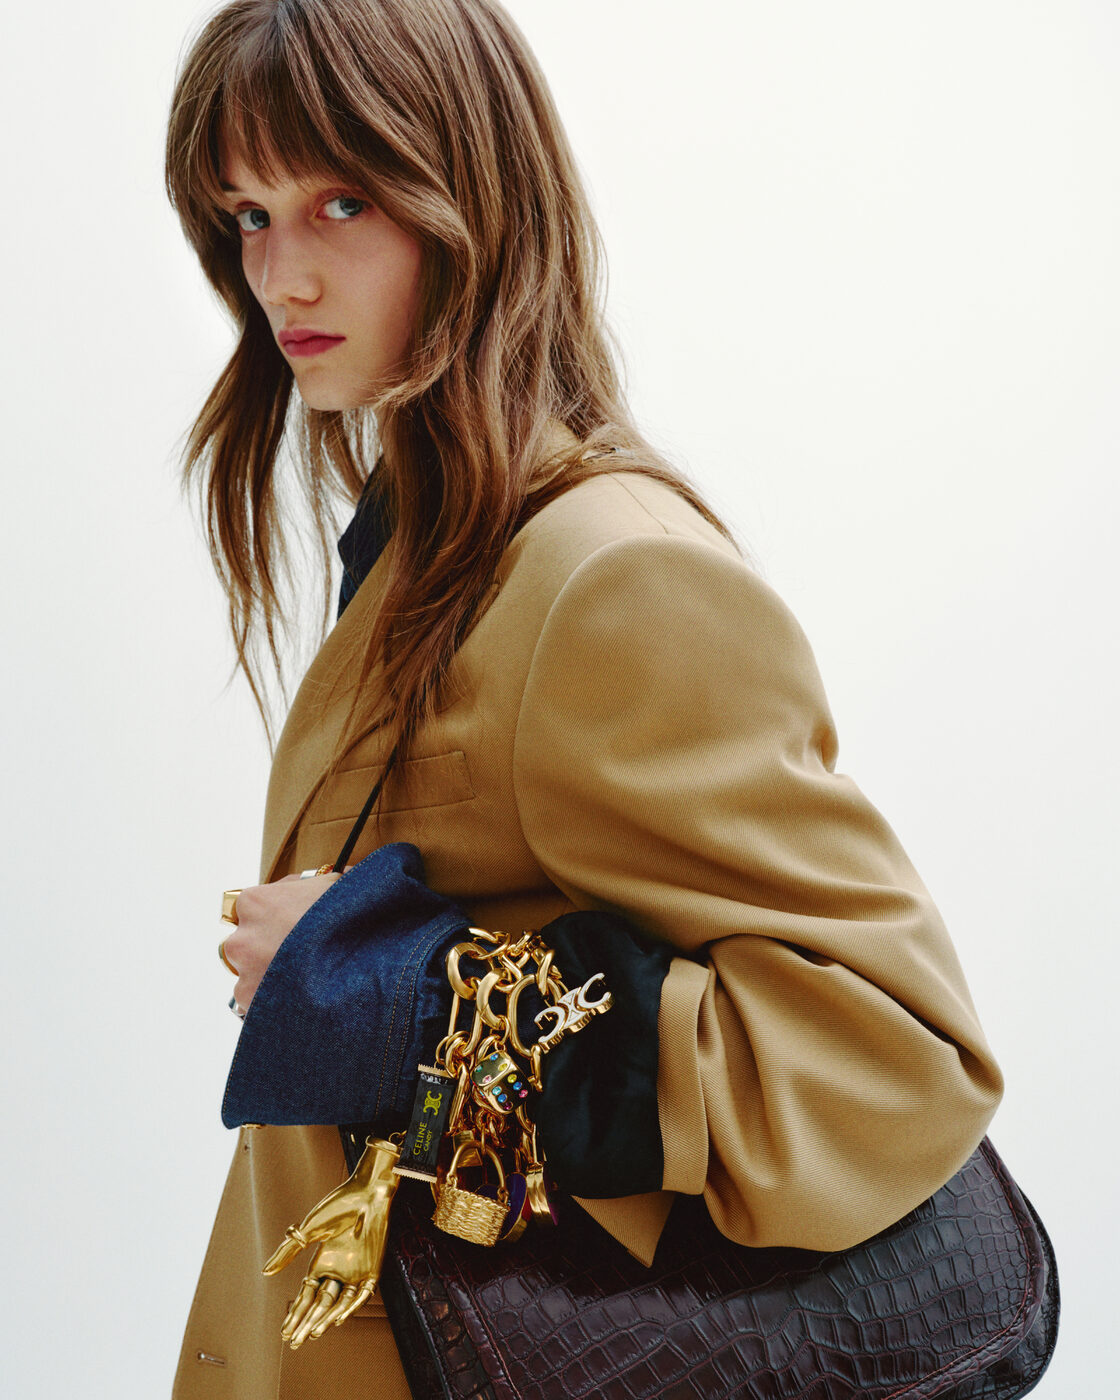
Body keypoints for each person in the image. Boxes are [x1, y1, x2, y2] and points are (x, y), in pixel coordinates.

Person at [164, 2, 1004, 1396]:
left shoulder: (611, 577)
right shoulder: (430, 534)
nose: (281, 275)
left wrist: (402, 999)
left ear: (476, 199)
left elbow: (892, 1065)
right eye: (248, 215)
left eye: (342, 202)